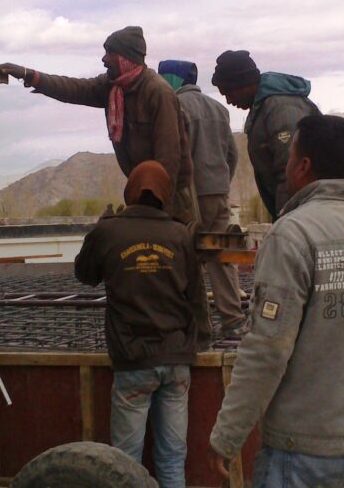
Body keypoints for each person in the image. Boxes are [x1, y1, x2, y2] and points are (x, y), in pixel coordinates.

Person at [207, 115, 344, 488]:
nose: (287, 166)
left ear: (303, 166)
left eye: (290, 157)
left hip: (303, 456)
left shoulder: (292, 235)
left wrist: (228, 435)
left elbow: (267, 349)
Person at [74, 160, 210, 488]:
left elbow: (85, 274)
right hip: (176, 361)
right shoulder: (180, 234)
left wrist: (99, 229)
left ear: (130, 191)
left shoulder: (109, 231)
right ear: (166, 194)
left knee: (125, 463)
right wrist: (203, 340)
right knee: (172, 458)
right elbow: (196, 296)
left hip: (132, 359)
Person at [0, 26, 197, 223]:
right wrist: (30, 75)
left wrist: (157, 211)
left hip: (168, 199)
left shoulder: (158, 92)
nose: (104, 59)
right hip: (144, 195)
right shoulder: (112, 86)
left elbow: (169, 158)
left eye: (110, 53)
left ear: (125, 57)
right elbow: (74, 88)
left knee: (169, 244)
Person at [158, 60, 247, 338]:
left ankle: (196, 325)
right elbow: (231, 155)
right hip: (218, 194)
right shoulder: (219, 109)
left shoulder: (175, 106)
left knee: (186, 258)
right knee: (222, 256)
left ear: (173, 79)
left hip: (189, 198)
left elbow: (172, 155)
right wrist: (220, 183)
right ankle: (233, 320)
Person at [211, 50, 321, 219]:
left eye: (229, 94)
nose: (229, 101)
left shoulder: (281, 110)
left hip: (304, 215)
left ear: (244, 84)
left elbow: (291, 174)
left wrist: (286, 221)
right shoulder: (263, 109)